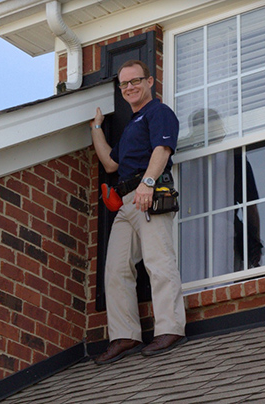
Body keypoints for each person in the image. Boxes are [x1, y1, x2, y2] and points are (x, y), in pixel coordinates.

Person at [91, 60, 186, 365]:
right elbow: (110, 163)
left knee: (159, 260)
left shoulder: (159, 112)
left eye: (135, 81)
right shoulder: (133, 124)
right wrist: (95, 128)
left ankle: (170, 327)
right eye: (124, 84)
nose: (130, 87)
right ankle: (125, 335)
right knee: (116, 269)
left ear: (150, 81)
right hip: (126, 201)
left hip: (148, 195)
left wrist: (148, 183)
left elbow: (162, 150)